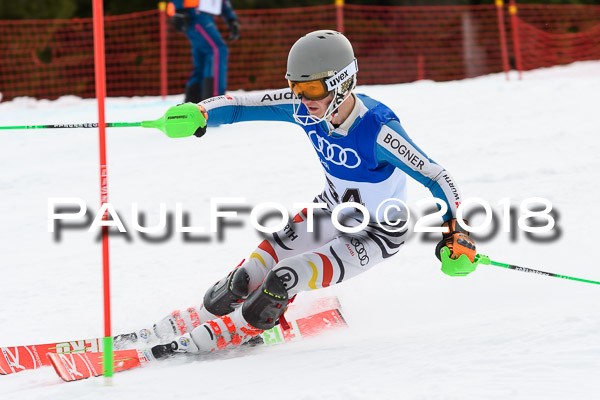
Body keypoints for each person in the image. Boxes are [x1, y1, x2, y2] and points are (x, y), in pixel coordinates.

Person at [145, 30, 477, 357]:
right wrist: (201, 112)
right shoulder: (304, 108)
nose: (303, 98)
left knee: (284, 278)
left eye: (312, 88)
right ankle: (209, 314)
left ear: (343, 82)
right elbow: (241, 105)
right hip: (329, 212)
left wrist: (456, 231)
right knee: (247, 275)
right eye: (296, 87)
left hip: (377, 234)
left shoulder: (377, 129)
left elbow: (436, 175)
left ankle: (243, 328)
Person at [168, 0, 240, 103]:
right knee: (217, 50)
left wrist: (230, 18)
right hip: (193, 12)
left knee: (203, 58)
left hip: (205, 12)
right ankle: (215, 100)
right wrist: (179, 8)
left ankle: (193, 103)